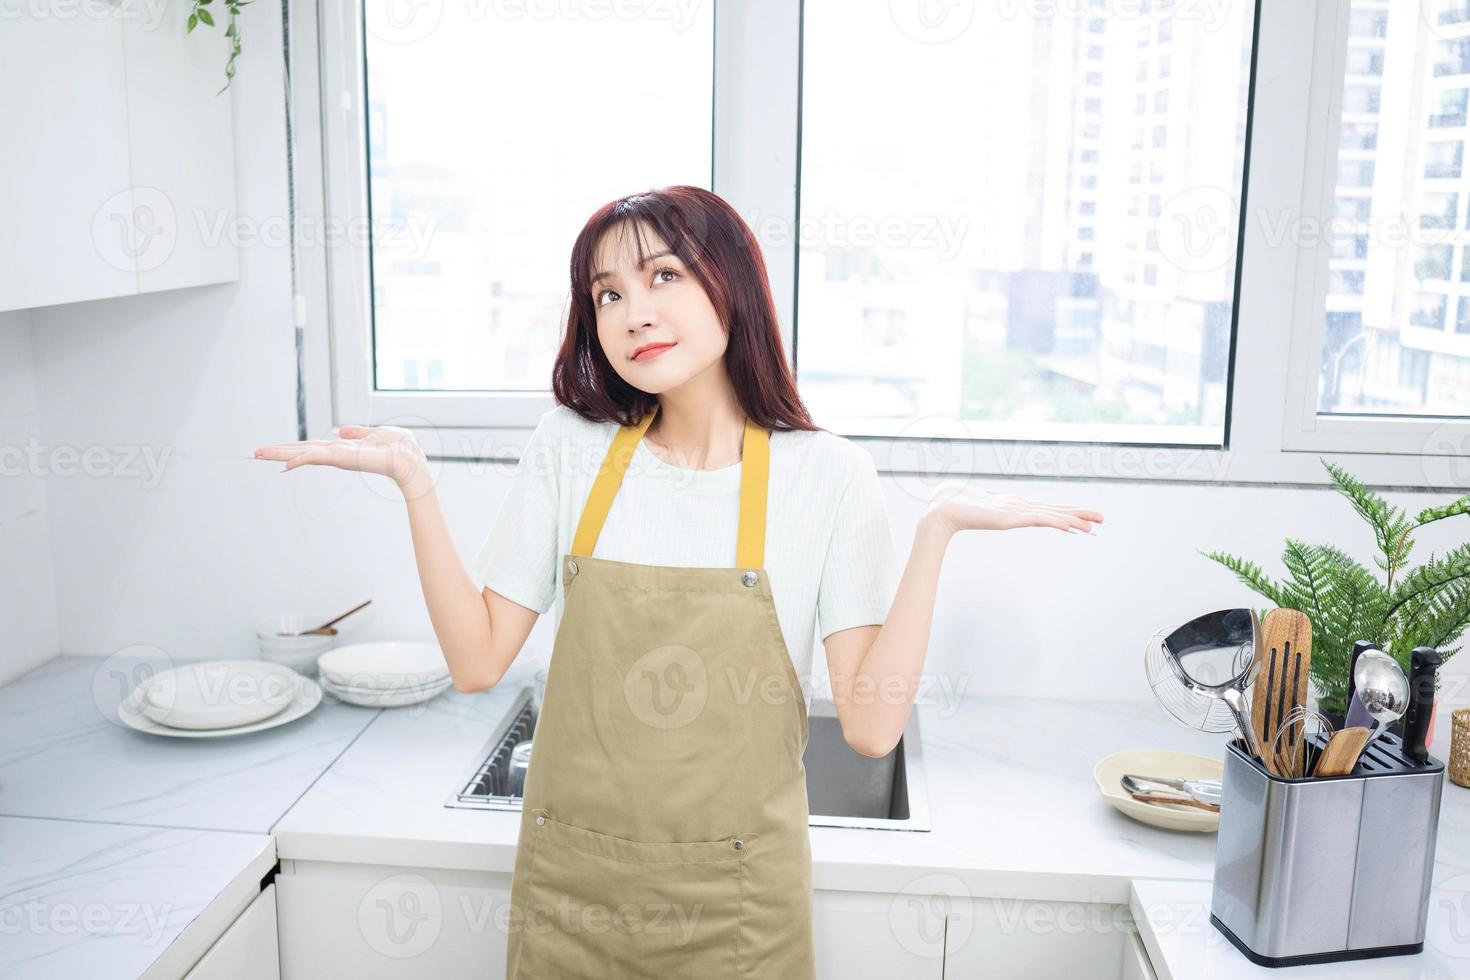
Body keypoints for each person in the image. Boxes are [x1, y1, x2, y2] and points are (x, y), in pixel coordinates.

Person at [254, 185, 1104, 978]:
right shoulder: (569, 447)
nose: (634, 312)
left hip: (741, 911)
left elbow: (874, 726)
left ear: (728, 283)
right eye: (608, 294)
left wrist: (937, 531)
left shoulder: (828, 476)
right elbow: (477, 663)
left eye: (663, 274)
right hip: (571, 899)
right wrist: (415, 482)